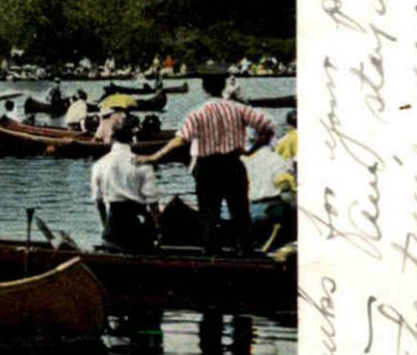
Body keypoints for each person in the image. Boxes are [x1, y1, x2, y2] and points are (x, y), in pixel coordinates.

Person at [138, 67, 277, 254]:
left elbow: (181, 139)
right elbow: (267, 126)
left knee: (209, 215)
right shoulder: (239, 109)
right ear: (223, 86)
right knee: (240, 214)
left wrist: (154, 157)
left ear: (204, 87)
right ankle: (245, 253)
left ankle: (213, 254)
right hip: (233, 164)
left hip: (208, 167)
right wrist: (251, 150)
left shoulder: (198, 113)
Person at [90, 120, 160, 252]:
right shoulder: (143, 164)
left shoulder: (99, 165)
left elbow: (99, 204)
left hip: (113, 231)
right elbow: (153, 205)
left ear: (112, 138)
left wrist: (105, 227)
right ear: (132, 139)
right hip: (139, 229)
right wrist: (158, 233)